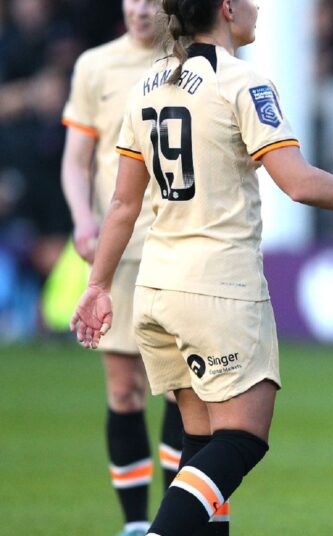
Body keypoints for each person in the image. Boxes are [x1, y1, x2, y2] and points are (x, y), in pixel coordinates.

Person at [70, 1, 333, 535]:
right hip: (217, 289)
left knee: (200, 450)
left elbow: (123, 205)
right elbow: (300, 183)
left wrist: (98, 285)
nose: (256, 10)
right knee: (242, 438)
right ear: (226, 9)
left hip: (157, 289)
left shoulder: (149, 84)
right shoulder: (243, 82)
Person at [60, 2, 184, 535]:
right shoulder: (95, 65)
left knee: (184, 391)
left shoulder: (190, 61)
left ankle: (176, 519)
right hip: (121, 247)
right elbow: (76, 158)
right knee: (125, 389)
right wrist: (83, 217)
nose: (138, 7)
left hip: (178, 243)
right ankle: (136, 525)